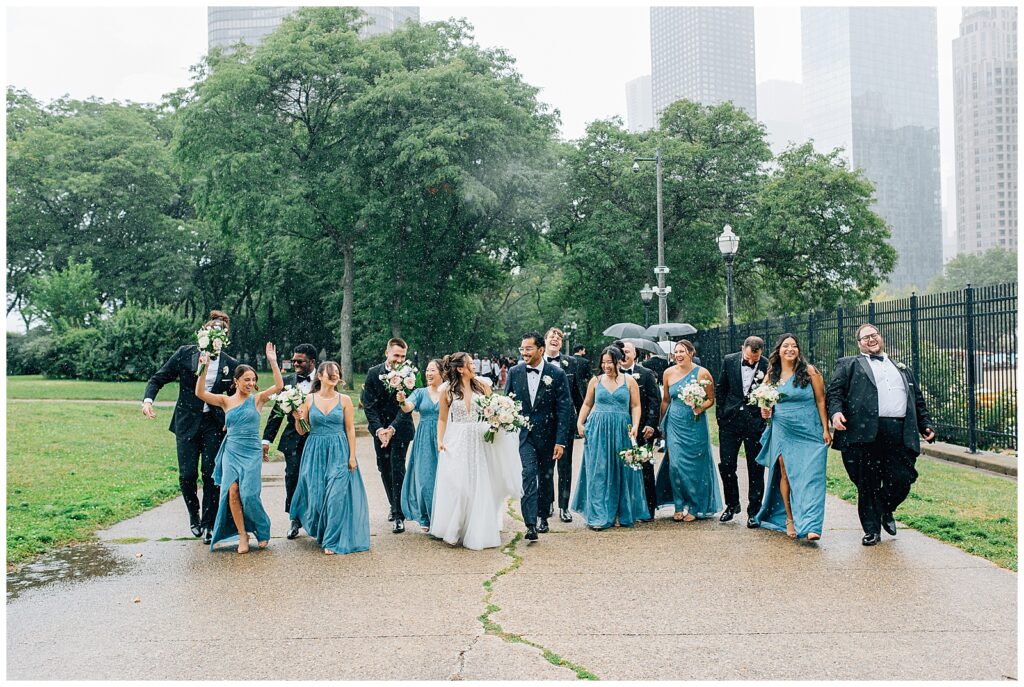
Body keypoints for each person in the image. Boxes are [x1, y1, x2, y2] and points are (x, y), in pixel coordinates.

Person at [827, 324, 935, 546]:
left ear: (881, 337)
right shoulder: (848, 365)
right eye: (865, 337)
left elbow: (917, 399)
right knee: (868, 482)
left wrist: (925, 424)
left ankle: (885, 508)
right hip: (865, 432)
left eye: (873, 335)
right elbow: (834, 393)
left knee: (903, 479)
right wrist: (836, 413)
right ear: (859, 343)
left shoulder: (902, 368)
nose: (870, 339)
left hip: (899, 431)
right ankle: (871, 530)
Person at [142, 310, 239, 544]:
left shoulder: (230, 364)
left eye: (220, 333)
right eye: (211, 331)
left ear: (224, 339)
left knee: (209, 473)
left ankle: (208, 524)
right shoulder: (185, 354)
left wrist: (232, 420)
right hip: (186, 423)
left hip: (214, 425)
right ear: (203, 333)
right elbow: (159, 378)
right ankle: (193, 515)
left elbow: (236, 396)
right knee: (187, 475)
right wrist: (148, 401)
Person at [430, 352, 522, 550]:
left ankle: (478, 530)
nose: (474, 367)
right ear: (460, 369)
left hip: (481, 439)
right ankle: (456, 527)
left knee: (480, 483)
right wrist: (440, 440)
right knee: (461, 486)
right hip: (458, 439)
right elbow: (443, 419)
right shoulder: (447, 391)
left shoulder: (483, 386)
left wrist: (501, 419)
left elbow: (495, 410)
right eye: (470, 364)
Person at [197, 342, 283, 553]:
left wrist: (273, 362)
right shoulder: (225, 401)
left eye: (253, 380)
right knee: (232, 491)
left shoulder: (258, 400)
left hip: (251, 452)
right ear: (236, 381)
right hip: (231, 451)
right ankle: (242, 535)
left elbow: (279, 387)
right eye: (246, 380)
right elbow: (200, 393)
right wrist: (204, 366)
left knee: (249, 494)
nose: (250, 383)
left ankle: (262, 529)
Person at [750, 334, 831, 540]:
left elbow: (821, 401)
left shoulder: (810, 372)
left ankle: (812, 524)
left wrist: (825, 429)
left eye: (794, 346)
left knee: (812, 476)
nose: (790, 349)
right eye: (786, 346)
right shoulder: (771, 375)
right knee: (786, 474)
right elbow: (765, 404)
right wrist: (765, 410)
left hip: (809, 429)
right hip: (783, 430)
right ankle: (790, 518)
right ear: (779, 350)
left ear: (798, 350)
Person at [289, 361, 370, 555]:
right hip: (314, 451)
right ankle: (323, 532)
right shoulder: (309, 400)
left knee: (335, 497)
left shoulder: (345, 400)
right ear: (320, 375)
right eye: (331, 372)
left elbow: (350, 429)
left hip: (339, 450)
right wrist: (297, 417)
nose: (335, 375)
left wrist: (352, 456)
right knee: (316, 498)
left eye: (337, 372)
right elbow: (302, 431)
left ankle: (332, 541)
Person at [504, 332, 573, 541]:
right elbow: (508, 402)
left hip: (549, 435)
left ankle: (543, 516)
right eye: (522, 349)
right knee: (528, 473)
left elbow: (564, 409)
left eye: (528, 349)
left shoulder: (557, 374)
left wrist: (560, 440)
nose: (524, 353)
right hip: (524, 435)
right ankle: (530, 523)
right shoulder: (514, 372)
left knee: (545, 477)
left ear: (540, 350)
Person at [571, 345, 648, 529]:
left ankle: (620, 512)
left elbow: (636, 406)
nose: (606, 366)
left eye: (610, 362)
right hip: (598, 429)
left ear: (618, 361)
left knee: (621, 470)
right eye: (603, 362)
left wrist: (636, 425)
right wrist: (580, 423)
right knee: (599, 471)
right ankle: (599, 515)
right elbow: (587, 404)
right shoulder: (595, 381)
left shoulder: (629, 381)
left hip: (622, 428)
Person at [655, 340, 723, 521]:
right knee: (675, 466)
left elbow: (710, 399)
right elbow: (666, 400)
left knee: (694, 468)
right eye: (676, 352)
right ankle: (678, 505)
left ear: (691, 353)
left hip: (695, 424)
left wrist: (700, 407)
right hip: (675, 423)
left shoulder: (702, 373)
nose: (678, 355)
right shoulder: (668, 373)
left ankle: (694, 506)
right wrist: (661, 423)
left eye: (682, 351)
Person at [262, 343, 317, 539]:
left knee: (314, 477)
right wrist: (266, 440)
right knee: (292, 476)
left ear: (312, 362)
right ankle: (294, 519)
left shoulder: (323, 380)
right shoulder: (286, 383)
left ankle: (315, 516)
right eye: (293, 360)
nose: (295, 364)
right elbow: (276, 414)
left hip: (317, 438)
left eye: (299, 361)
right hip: (292, 439)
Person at [361, 338, 416, 533]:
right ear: (387, 354)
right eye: (396, 355)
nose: (399, 360)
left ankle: (399, 514)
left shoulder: (410, 375)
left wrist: (392, 428)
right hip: (380, 430)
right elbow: (369, 405)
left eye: (403, 356)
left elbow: (407, 406)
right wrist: (380, 430)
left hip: (401, 428)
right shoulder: (373, 373)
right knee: (384, 467)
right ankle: (393, 505)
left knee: (397, 466)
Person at [715, 336, 769, 527]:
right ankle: (732, 504)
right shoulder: (729, 360)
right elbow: (721, 389)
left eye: (755, 358)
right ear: (742, 349)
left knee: (756, 467)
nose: (752, 361)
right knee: (727, 464)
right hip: (730, 421)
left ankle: (754, 511)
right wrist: (720, 416)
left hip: (754, 422)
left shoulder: (767, 364)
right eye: (749, 358)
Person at [541, 327, 583, 524]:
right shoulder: (537, 362)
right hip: (544, 422)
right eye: (552, 336)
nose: (555, 339)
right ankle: (547, 502)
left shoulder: (571, 363)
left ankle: (564, 507)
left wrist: (582, 419)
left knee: (565, 466)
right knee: (546, 465)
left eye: (559, 337)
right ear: (545, 340)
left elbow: (577, 394)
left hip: (565, 420)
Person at [617, 340, 662, 520]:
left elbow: (654, 400)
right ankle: (625, 508)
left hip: (643, 429)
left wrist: (651, 424)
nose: (624, 354)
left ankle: (648, 509)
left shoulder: (645, 374)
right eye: (622, 351)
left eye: (628, 351)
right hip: (620, 428)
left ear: (635, 354)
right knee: (622, 467)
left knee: (644, 468)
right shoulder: (613, 374)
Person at [397, 359, 443, 530]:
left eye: (433, 370)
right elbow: (408, 407)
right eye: (427, 370)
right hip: (424, 438)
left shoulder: (448, 392)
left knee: (443, 476)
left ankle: (442, 516)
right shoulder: (420, 392)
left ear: (442, 373)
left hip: (443, 436)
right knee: (425, 478)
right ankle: (426, 516)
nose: (429, 374)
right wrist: (402, 400)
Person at [571, 344, 593, 412]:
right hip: (581, 386)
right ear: (580, 350)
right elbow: (589, 375)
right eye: (584, 350)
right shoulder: (585, 361)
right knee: (582, 406)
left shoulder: (569, 360)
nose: (585, 352)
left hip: (570, 385)